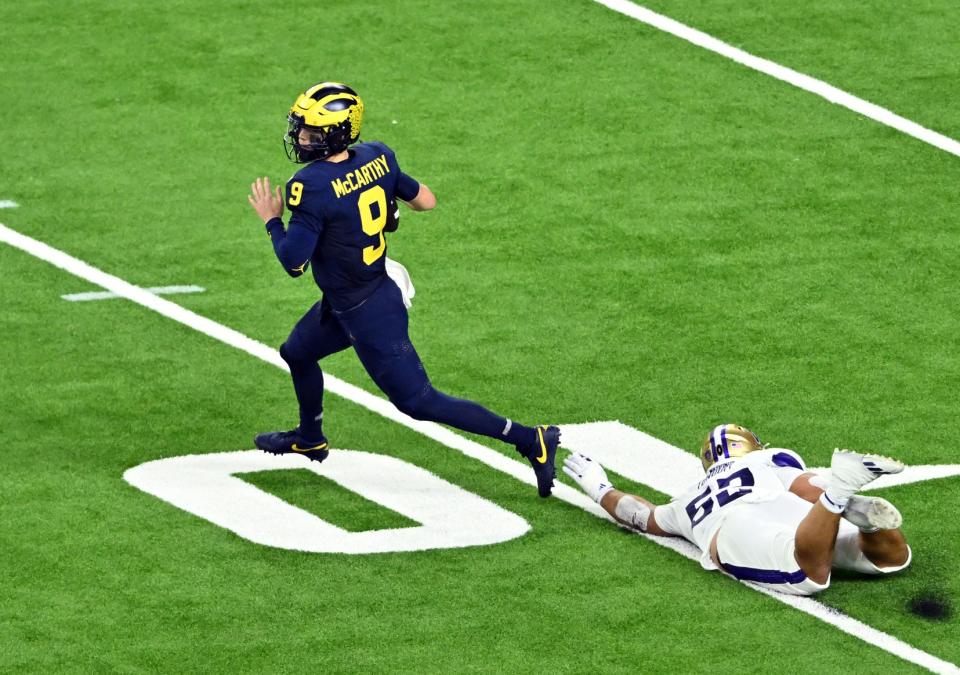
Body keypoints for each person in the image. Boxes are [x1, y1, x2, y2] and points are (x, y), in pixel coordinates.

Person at [246, 81, 559, 497]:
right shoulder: (377, 156)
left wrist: (272, 220)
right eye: (301, 129)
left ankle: (529, 439)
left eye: (312, 132)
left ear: (338, 133)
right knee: (297, 351)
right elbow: (425, 201)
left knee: (418, 402)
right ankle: (310, 438)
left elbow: (294, 262)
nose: (302, 138)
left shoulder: (311, 185)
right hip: (356, 292)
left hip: (368, 309)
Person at [563, 423, 911, 595]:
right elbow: (805, 486)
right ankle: (853, 513)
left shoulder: (688, 499)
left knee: (807, 574)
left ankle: (839, 495)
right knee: (892, 557)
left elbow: (640, 516)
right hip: (794, 512)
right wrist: (832, 495)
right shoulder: (768, 459)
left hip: (734, 528)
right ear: (752, 444)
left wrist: (600, 488)